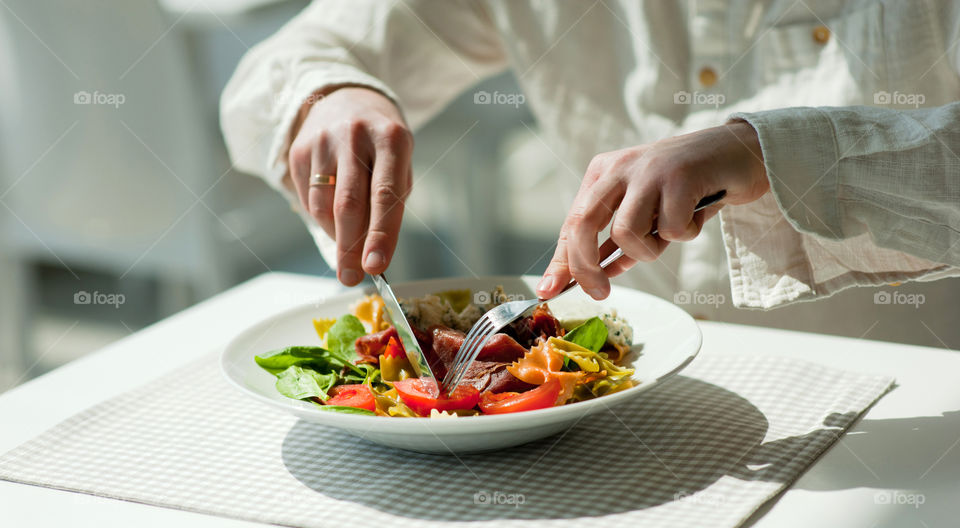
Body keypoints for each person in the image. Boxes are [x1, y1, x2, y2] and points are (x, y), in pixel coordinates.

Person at [221, 0, 960, 343]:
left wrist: (768, 151)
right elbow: (293, 59)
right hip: (641, 405)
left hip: (914, 392)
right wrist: (328, 94)